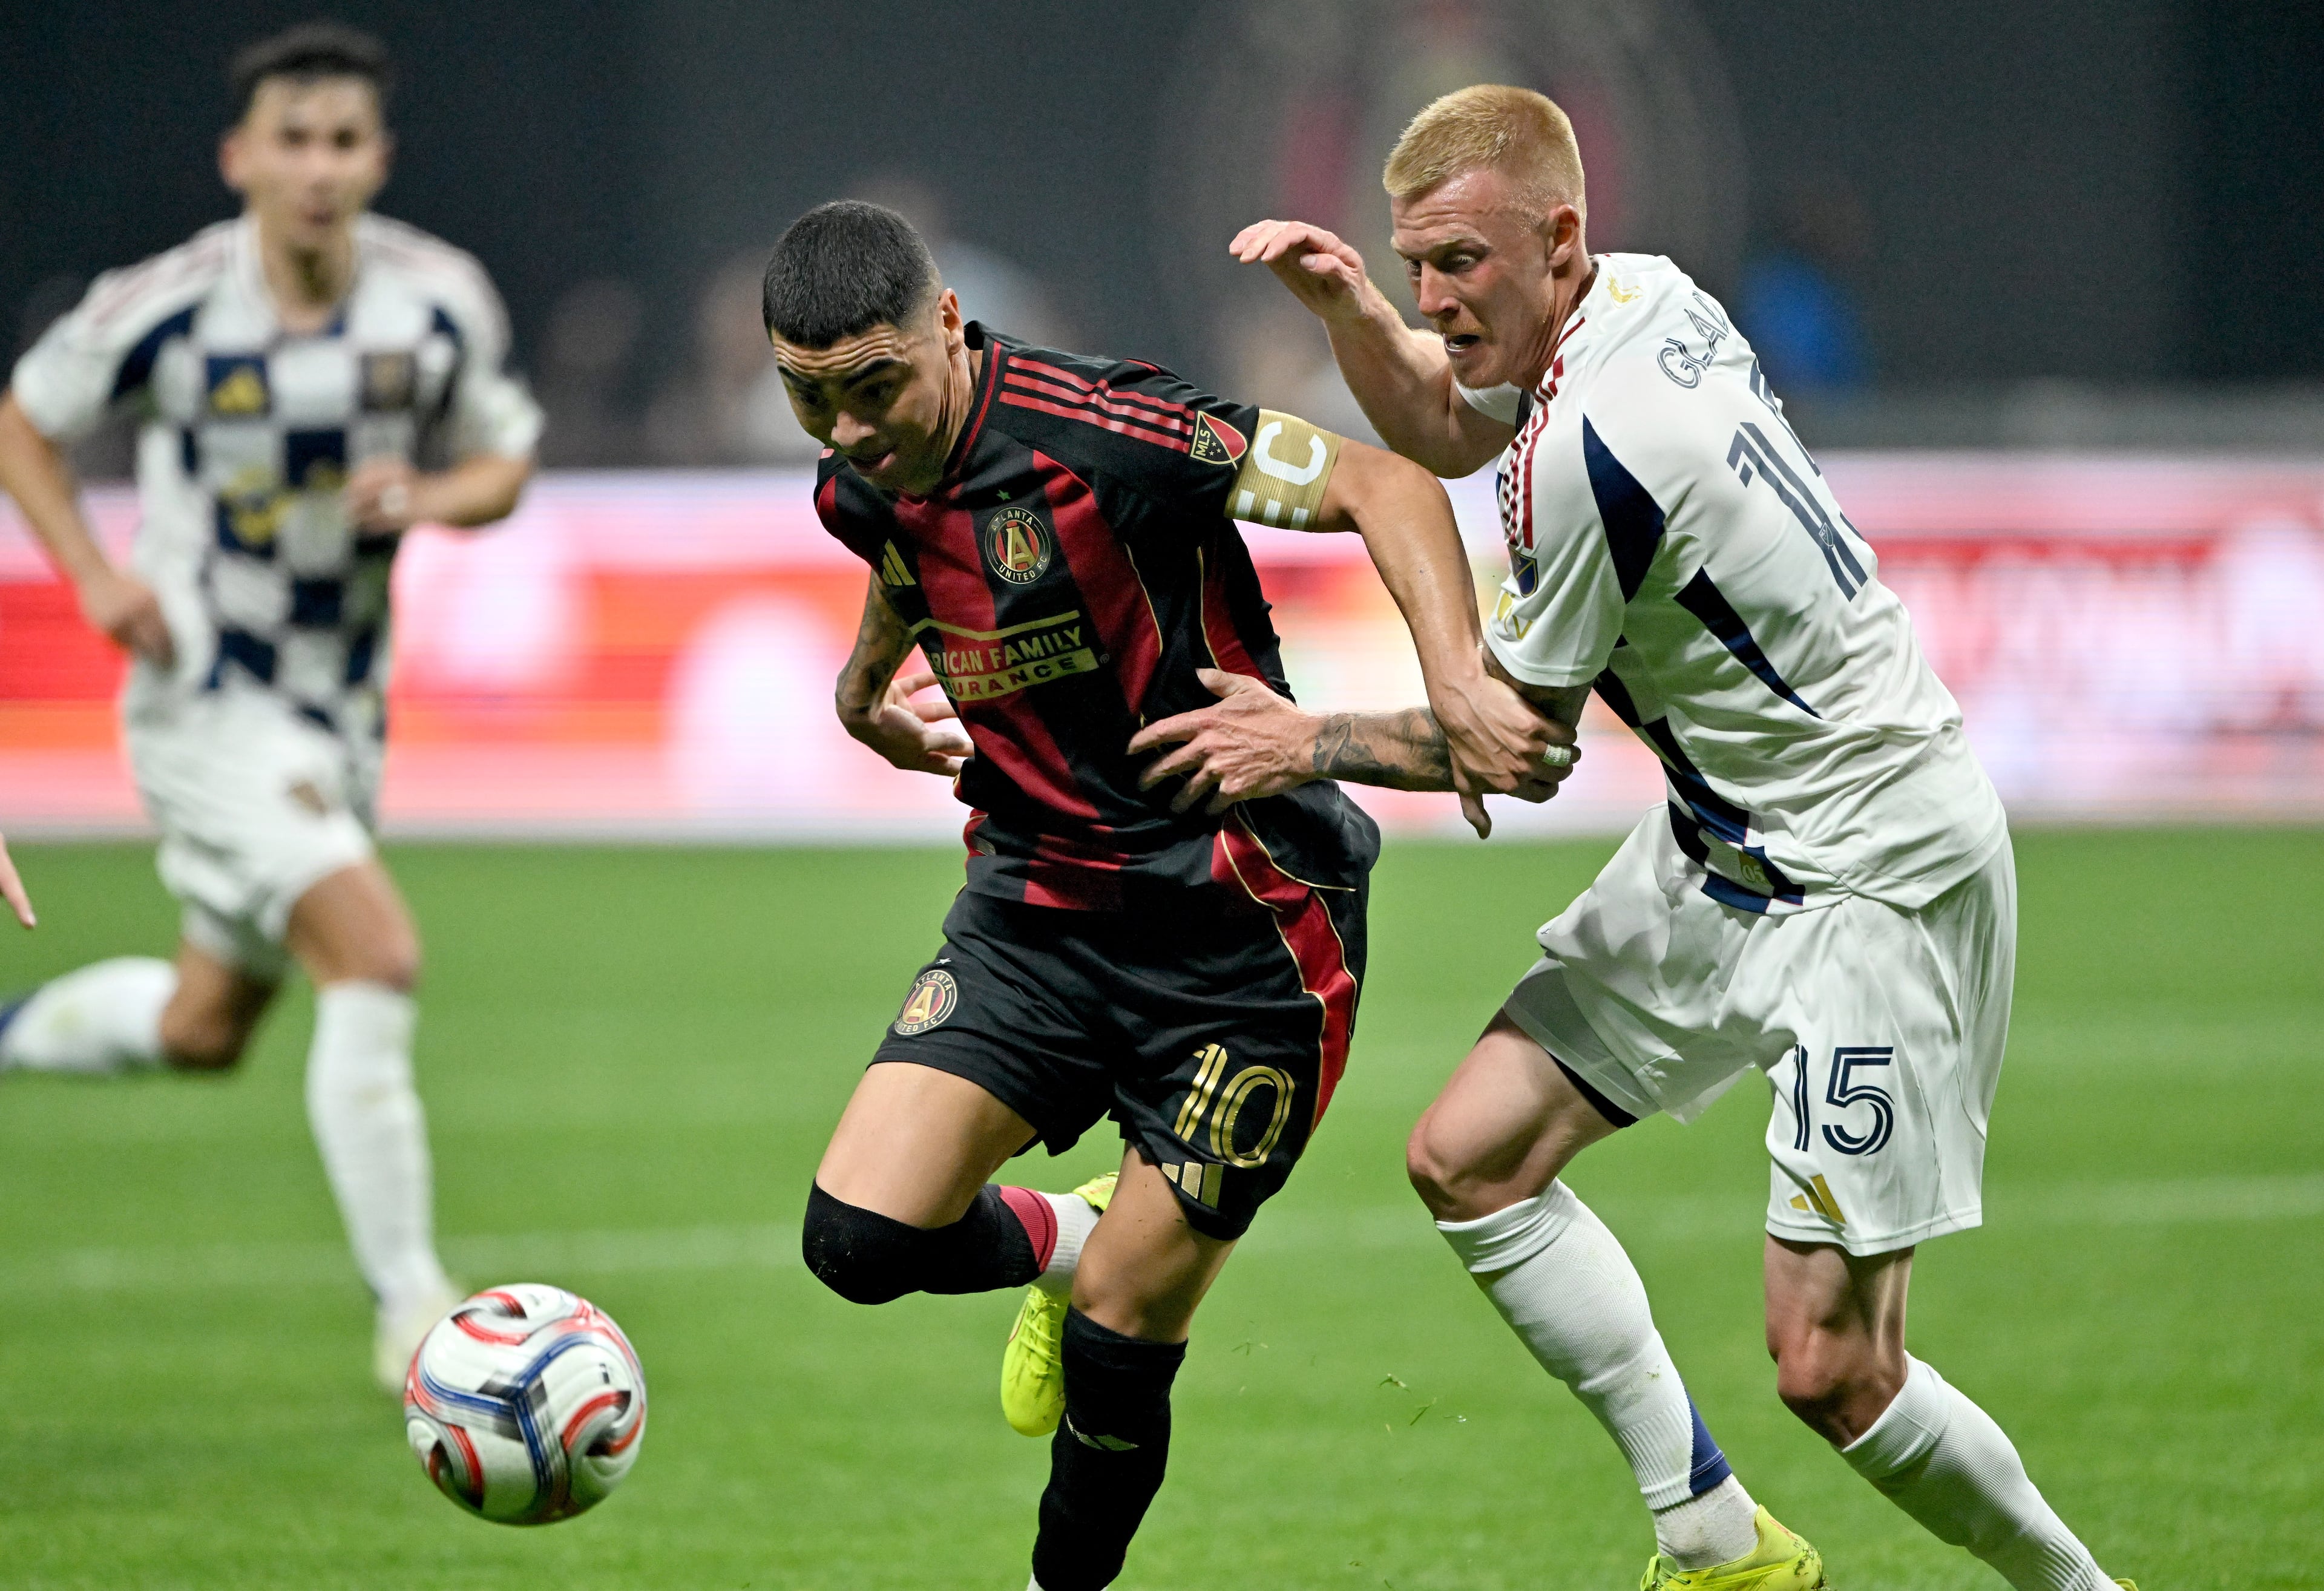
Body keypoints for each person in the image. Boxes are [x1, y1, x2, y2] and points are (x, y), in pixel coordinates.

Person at [1149, 85, 2135, 1591]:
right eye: (1414, 262)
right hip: (1731, 843)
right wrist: (1349, 309)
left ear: (1556, 236)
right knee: (1470, 1156)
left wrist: (1303, 740)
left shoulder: (1605, 446)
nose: (1435, 298)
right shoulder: (1641, 299)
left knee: (1832, 1369)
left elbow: (1516, 751)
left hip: (1873, 873)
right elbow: (1440, 410)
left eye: (1459, 266)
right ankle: (1712, 1535)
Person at [764, 199, 1555, 1591]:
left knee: (1120, 1347)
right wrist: (861, 682)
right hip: (1033, 909)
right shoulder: (856, 472)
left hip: (1241, 933)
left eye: (874, 385)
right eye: (807, 397)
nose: (846, 429)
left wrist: (1455, 683)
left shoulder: (1108, 433)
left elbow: (1392, 485)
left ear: (948, 324)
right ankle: (1070, 1232)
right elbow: (896, 541)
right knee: (857, 1240)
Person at [0, 23, 542, 1389]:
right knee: (376, 952)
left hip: (342, 712)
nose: (317, 167)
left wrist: (426, 497)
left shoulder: (436, 301)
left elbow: (504, 462)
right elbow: (22, 417)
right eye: (291, 140)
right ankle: (417, 1312)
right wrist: (92, 574)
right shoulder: (173, 303)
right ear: (240, 157)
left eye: (343, 141)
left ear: (378, 160)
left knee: (205, 1027)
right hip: (203, 699)